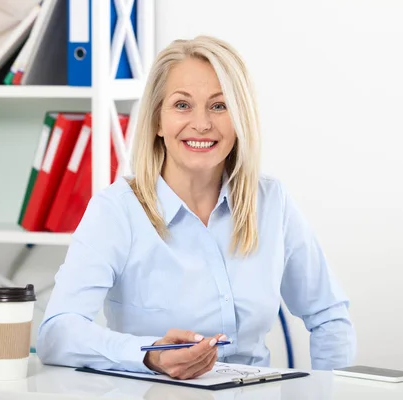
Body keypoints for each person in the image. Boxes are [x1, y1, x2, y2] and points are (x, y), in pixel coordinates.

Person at [37, 35, 356, 380]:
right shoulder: (116, 211)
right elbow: (57, 333)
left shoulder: (271, 201)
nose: (202, 124)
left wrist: (330, 390)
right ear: (158, 121)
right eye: (182, 105)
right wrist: (149, 355)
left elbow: (328, 317)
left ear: (239, 119)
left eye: (219, 106)